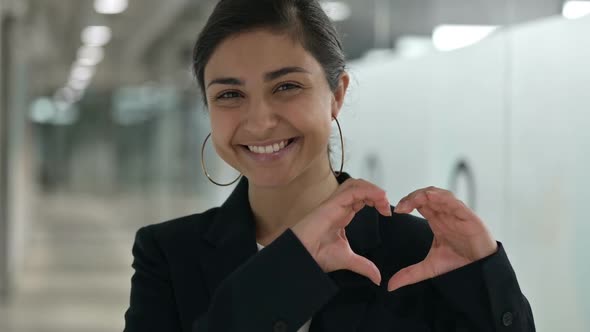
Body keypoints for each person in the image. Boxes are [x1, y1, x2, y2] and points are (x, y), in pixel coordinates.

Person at [123, 0, 536, 331]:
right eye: (230, 95)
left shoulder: (420, 252)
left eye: (286, 86)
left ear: (336, 94)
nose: (260, 121)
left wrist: (486, 282)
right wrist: (289, 267)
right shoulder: (170, 254)